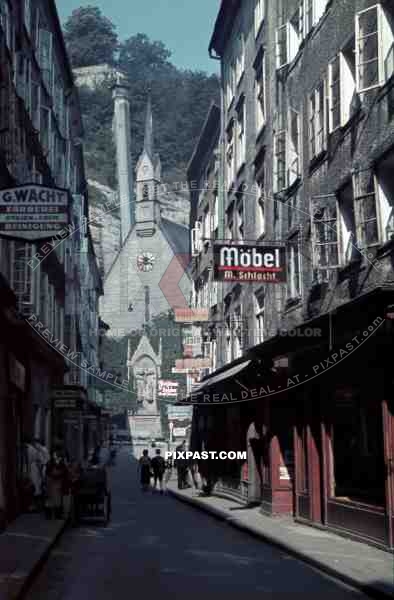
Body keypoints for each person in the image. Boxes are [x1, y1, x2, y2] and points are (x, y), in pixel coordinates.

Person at [45, 452, 68, 519]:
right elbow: (48, 473)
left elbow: (64, 472)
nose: (57, 457)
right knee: (51, 499)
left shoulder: (61, 463)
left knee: (57, 499)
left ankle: (56, 514)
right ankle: (50, 515)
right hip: (52, 482)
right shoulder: (50, 463)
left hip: (58, 482)